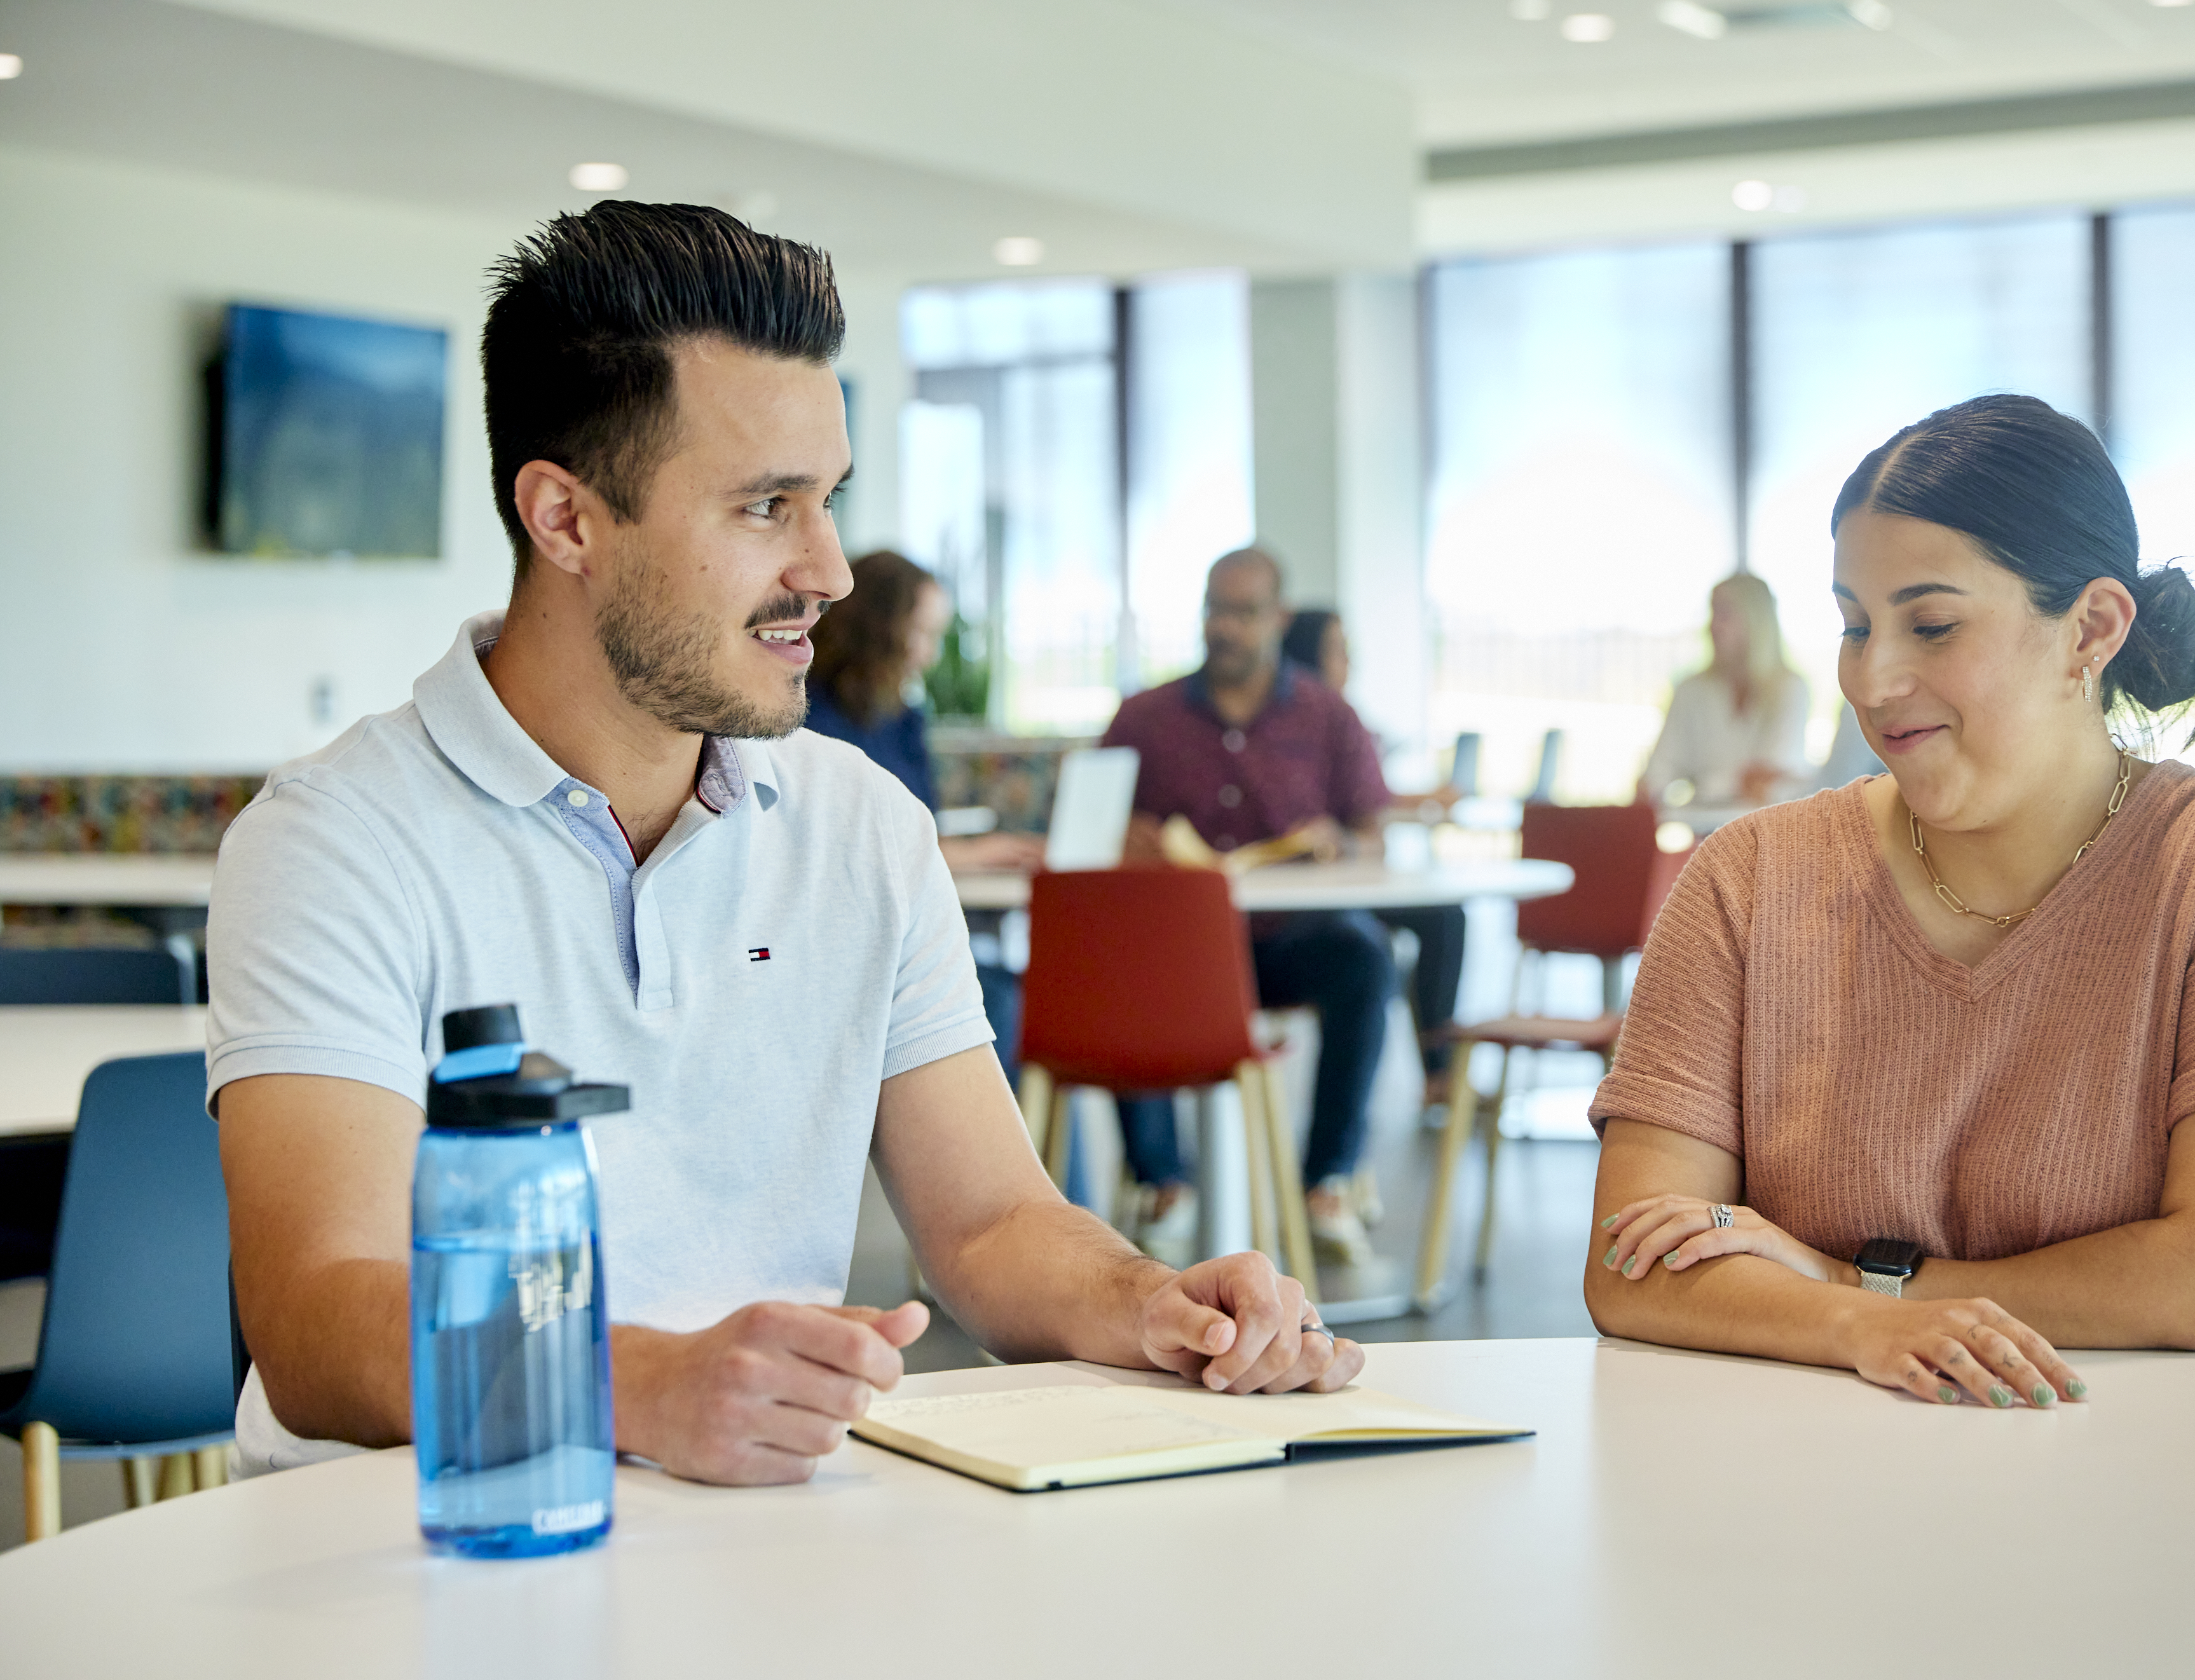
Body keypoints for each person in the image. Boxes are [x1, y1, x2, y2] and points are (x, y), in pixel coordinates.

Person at [211, 201, 1360, 1487]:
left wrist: (1148, 1300)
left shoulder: (862, 826)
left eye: (829, 501)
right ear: (566, 520)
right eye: (767, 507)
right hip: (416, 1565)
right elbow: (315, 1314)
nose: (830, 570)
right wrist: (645, 1383)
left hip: (759, 1546)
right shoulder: (334, 842)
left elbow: (988, 1226)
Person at [1585, 393, 2195, 1410]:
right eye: (1853, 625)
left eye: (1931, 624)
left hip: (2146, 1483)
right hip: (1794, 1490)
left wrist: (1844, 1281)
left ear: (2090, 627)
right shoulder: (1746, 876)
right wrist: (1861, 1327)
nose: (1873, 679)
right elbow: (1630, 1262)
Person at [1102, 551, 1395, 1267]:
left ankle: (1327, 1179)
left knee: (1364, 957)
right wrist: (1124, 833)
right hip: (1176, 951)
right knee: (1111, 963)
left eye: (1242, 612)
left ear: (1279, 618)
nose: (1224, 627)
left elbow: (1373, 833)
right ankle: (1164, 1182)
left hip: (1286, 945)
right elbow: (1086, 826)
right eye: (1214, 610)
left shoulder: (1329, 715)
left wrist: (1341, 845)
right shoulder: (1145, 717)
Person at [803, 548, 1039, 1076]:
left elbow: (917, 825)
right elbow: (840, 841)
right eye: (921, 634)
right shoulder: (805, 717)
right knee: (997, 997)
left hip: (901, 930)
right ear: (878, 630)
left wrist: (960, 851)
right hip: (841, 941)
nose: (929, 656)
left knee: (1020, 990)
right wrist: (968, 853)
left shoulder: (903, 719)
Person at [1282, 608, 1467, 1107]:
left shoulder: (1340, 718)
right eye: (1339, 649)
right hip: (1295, 903)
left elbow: (1370, 806)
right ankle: (1435, 1073)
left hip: (1344, 878)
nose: (1350, 661)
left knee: (1441, 917)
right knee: (1372, 949)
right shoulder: (1295, 721)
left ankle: (1437, 1071)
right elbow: (1376, 807)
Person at [1642, 571, 1810, 809]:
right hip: (1704, 831)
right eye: (1713, 613)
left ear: (1755, 620)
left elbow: (1768, 777)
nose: (1713, 626)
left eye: (1725, 614)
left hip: (1769, 829)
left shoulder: (1790, 688)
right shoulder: (1691, 690)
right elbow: (1656, 775)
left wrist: (1705, 787)